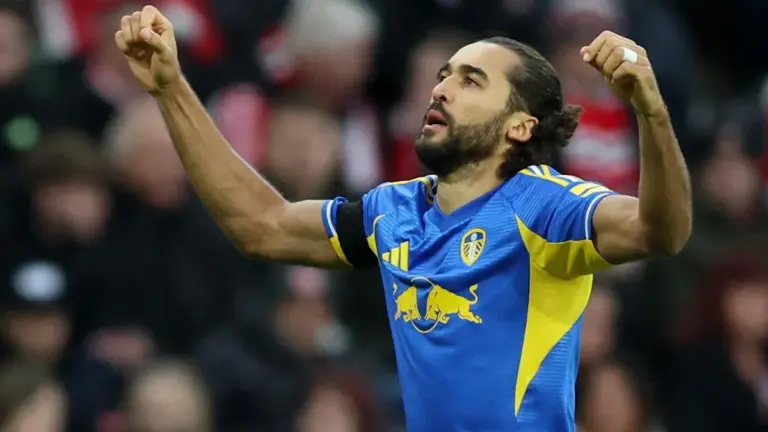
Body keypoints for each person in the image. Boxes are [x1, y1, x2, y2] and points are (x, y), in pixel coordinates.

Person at [114, 6, 691, 431]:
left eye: (471, 81)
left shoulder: (545, 206)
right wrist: (171, 89)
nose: (442, 89)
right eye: (444, 75)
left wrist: (651, 113)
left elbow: (660, 231)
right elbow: (262, 226)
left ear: (520, 125)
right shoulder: (394, 211)